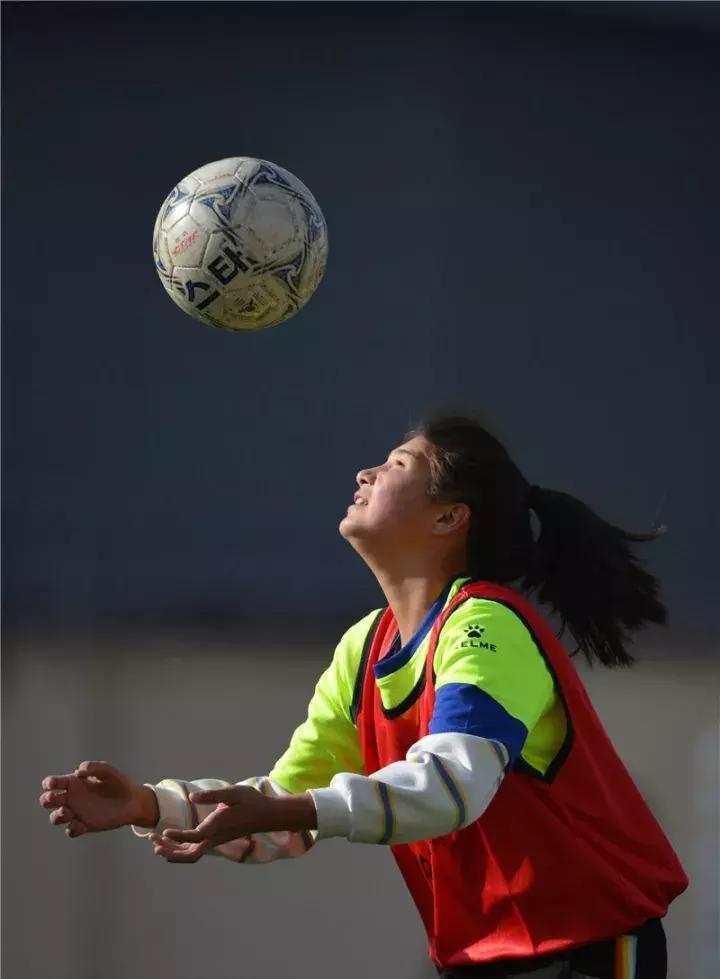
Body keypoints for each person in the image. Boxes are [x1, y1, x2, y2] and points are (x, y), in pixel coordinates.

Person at [40, 412, 687, 979]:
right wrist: (148, 803)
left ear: (449, 516)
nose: (364, 471)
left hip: (591, 950)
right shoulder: (365, 650)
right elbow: (276, 810)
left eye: (397, 462)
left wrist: (284, 812)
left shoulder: (486, 623)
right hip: (483, 962)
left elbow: (446, 791)